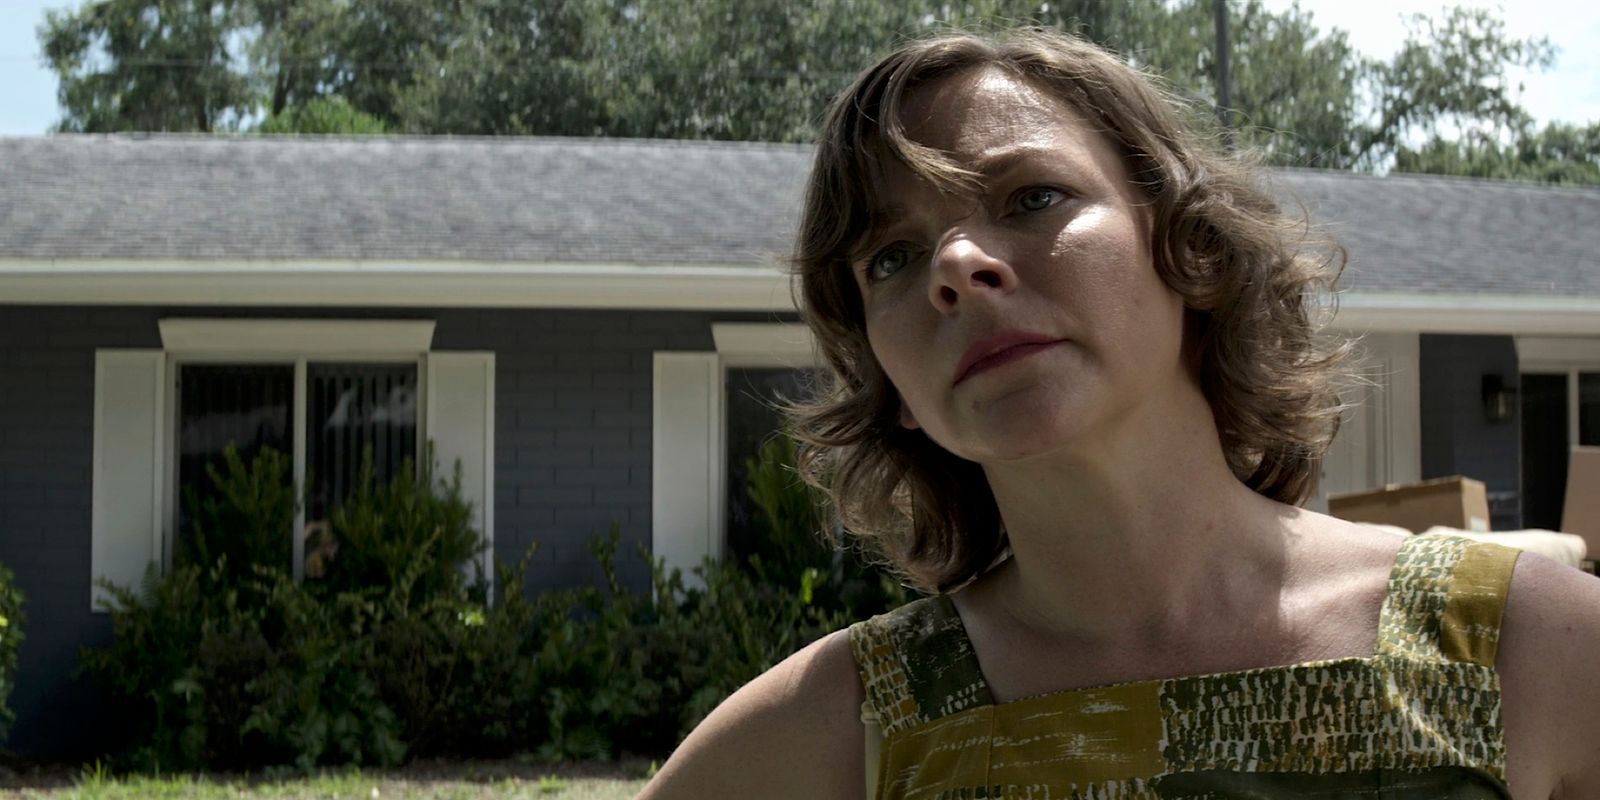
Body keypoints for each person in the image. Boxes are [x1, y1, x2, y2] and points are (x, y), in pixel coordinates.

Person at [639, 27, 1600, 800]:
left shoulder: (1530, 648)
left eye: (1031, 196)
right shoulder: (842, 731)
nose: (955, 267)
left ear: (1188, 246)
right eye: (890, 257)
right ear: (886, 382)